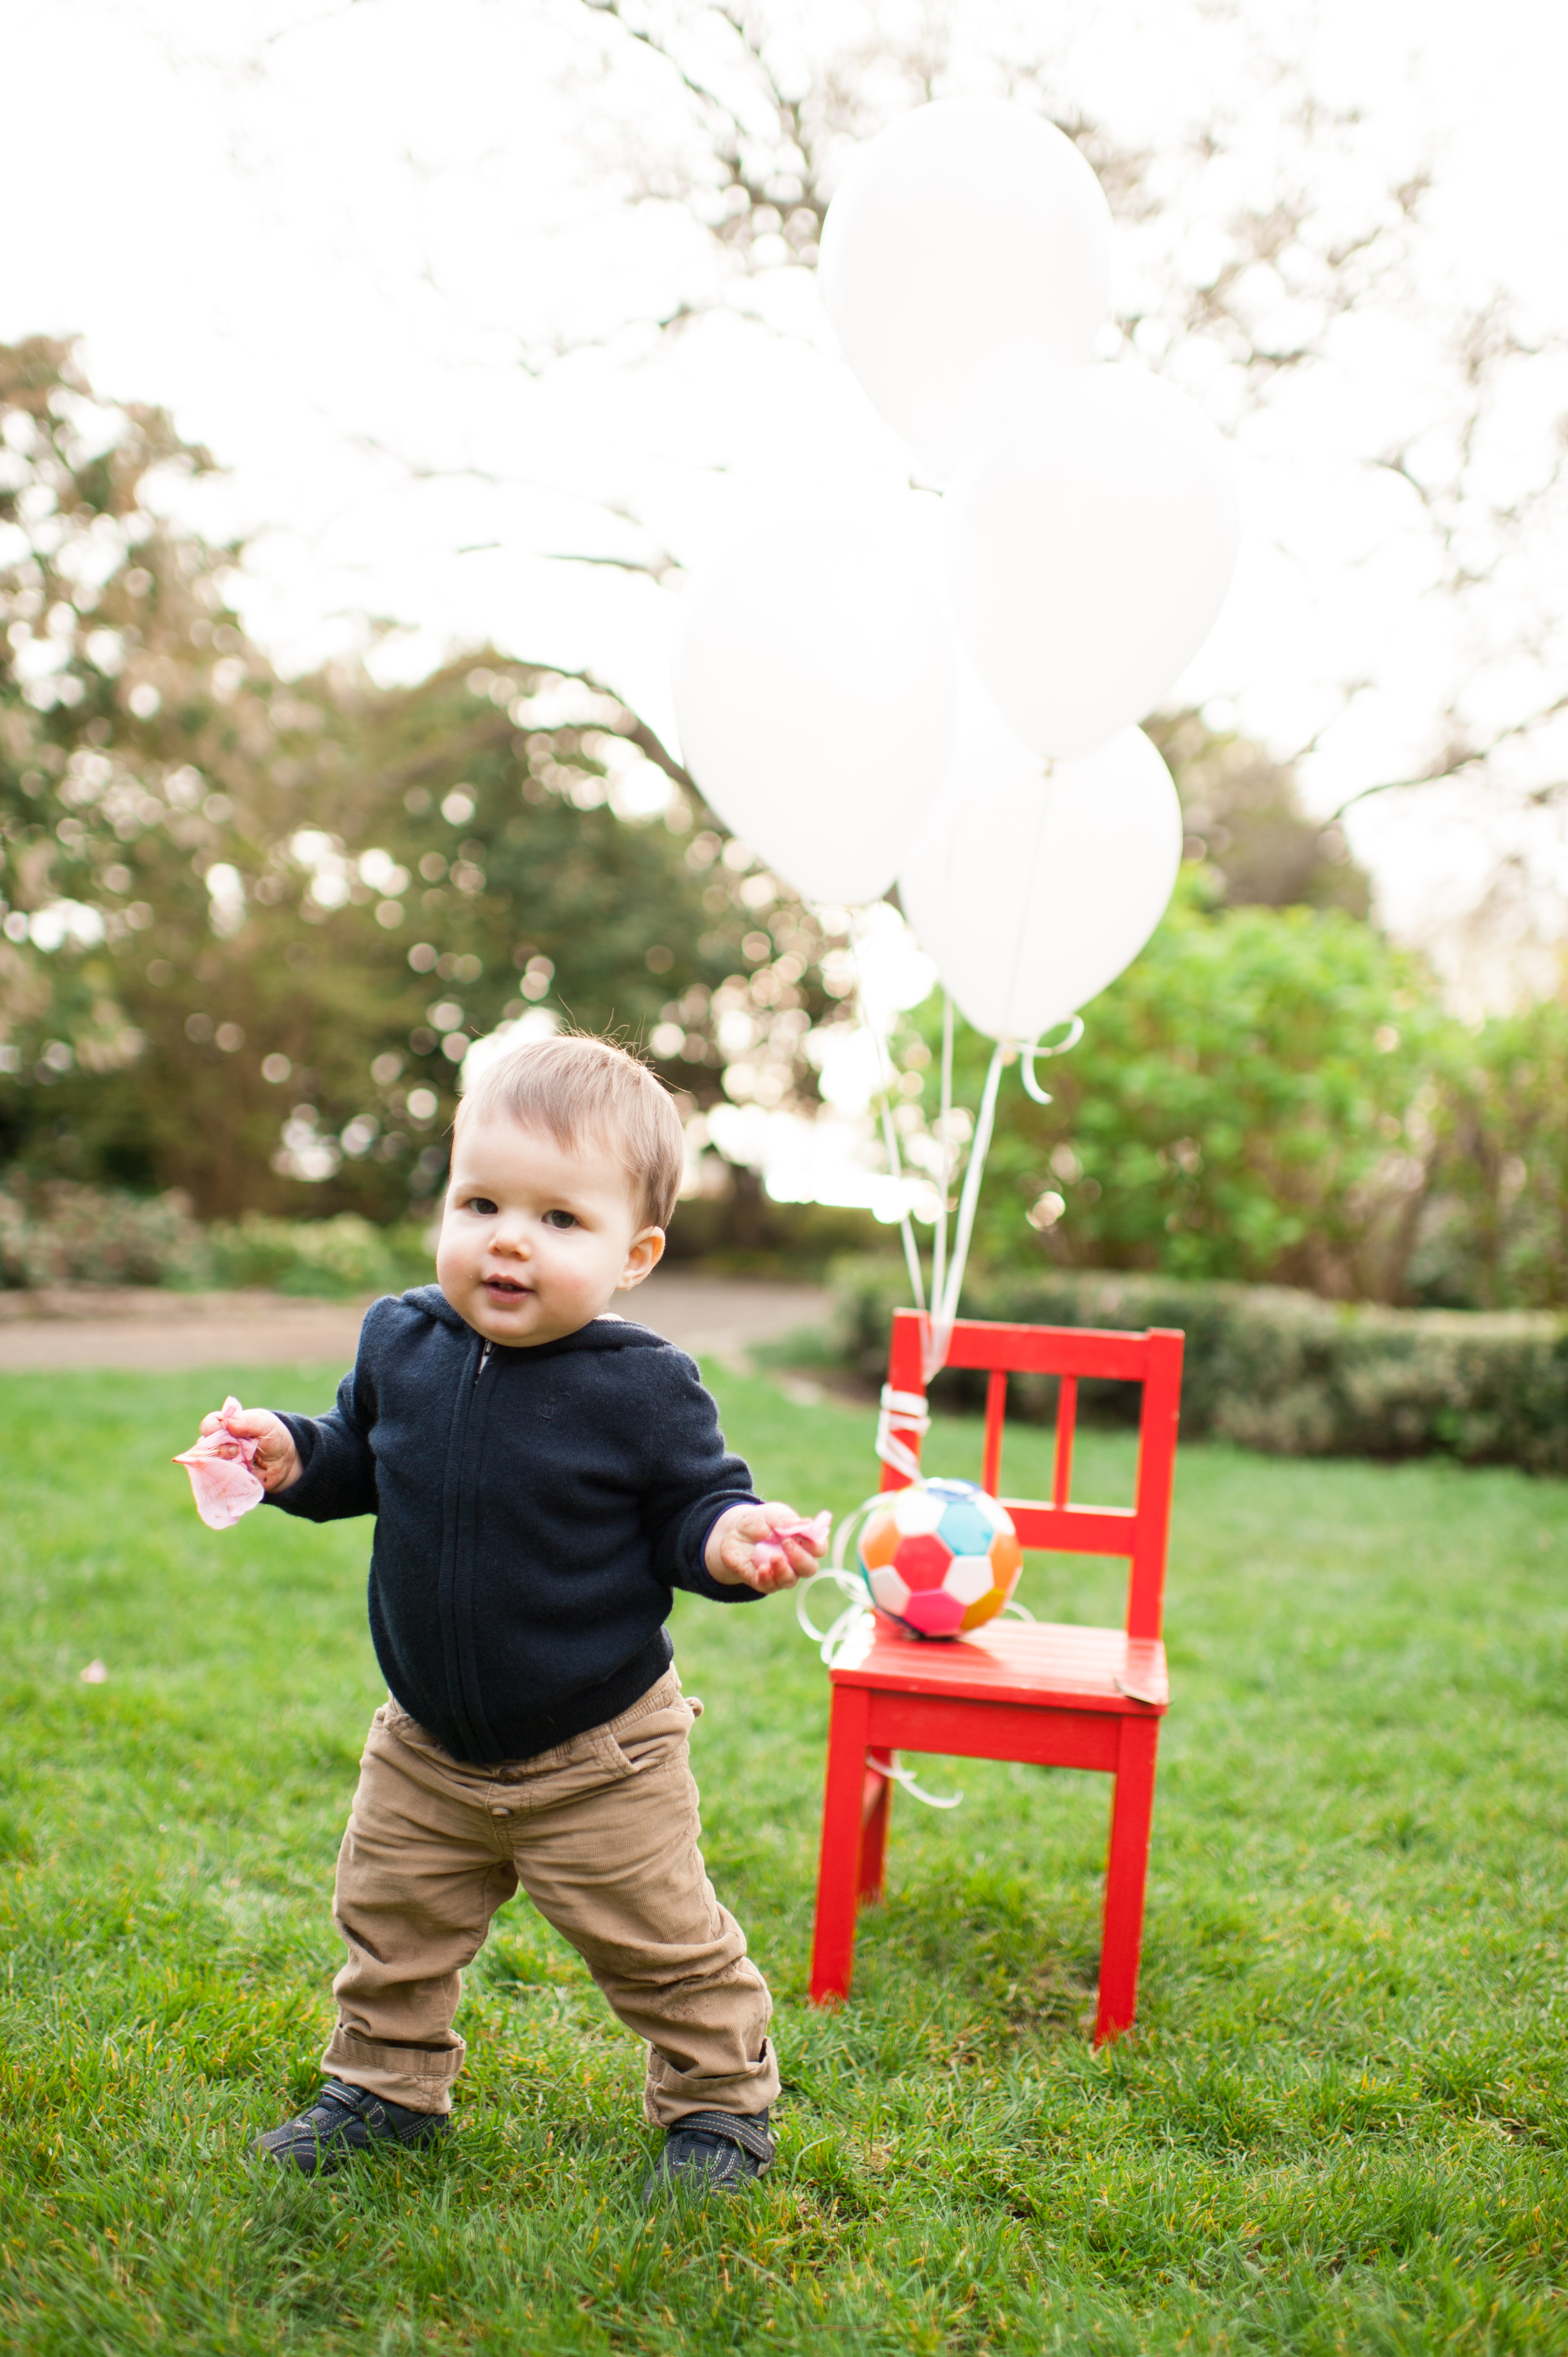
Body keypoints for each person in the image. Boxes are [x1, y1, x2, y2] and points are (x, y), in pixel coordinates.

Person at [195, 1033, 828, 2196]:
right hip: (428, 1740)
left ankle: (719, 2101)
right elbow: (357, 1459)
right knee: (390, 1919)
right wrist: (292, 1452)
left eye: (558, 1219)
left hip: (601, 1752)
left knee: (661, 1943)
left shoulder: (644, 1387)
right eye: (480, 1200)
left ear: (635, 1253)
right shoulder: (404, 1340)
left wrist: (734, 1542)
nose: (508, 1238)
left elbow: (695, 1507)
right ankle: (385, 2087)